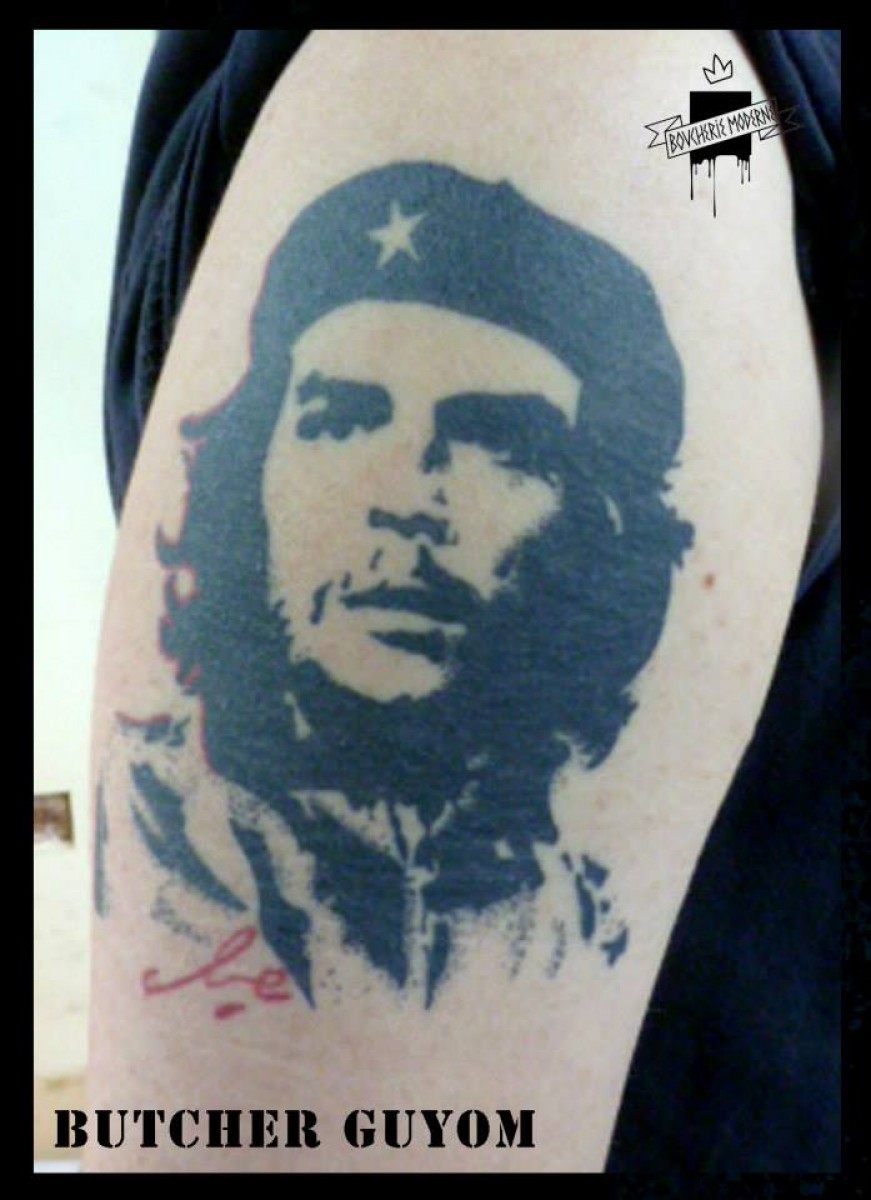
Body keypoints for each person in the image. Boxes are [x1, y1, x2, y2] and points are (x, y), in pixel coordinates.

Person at [88, 31, 845, 1172]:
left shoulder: (550, 899)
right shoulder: (563, 72)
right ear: (250, 466)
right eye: (345, 418)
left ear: (601, 519)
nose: (409, 499)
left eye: (500, 442)